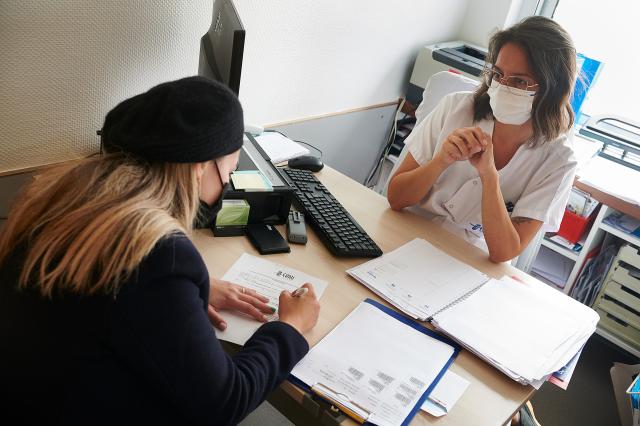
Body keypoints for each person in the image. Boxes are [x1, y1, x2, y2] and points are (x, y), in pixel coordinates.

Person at [0, 77, 320, 426]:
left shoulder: (68, 195)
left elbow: (108, 299)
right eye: (229, 169)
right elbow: (226, 401)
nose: (228, 182)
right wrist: (290, 328)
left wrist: (189, 293)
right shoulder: (158, 256)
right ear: (200, 167)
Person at [387, 16, 578, 262]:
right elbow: (396, 198)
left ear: (552, 89)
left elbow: (504, 252)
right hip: (409, 231)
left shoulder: (559, 161)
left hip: (472, 260)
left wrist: (489, 176)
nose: (503, 86)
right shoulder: (455, 108)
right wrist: (441, 161)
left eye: (520, 81)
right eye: (498, 74)